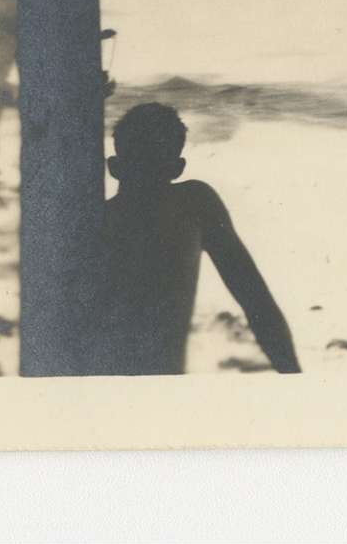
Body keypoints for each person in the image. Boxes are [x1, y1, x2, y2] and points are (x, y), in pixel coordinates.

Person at [100, 102, 300, 375]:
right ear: (177, 167)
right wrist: (293, 376)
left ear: (114, 167)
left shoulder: (98, 218)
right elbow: (257, 303)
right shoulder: (195, 204)